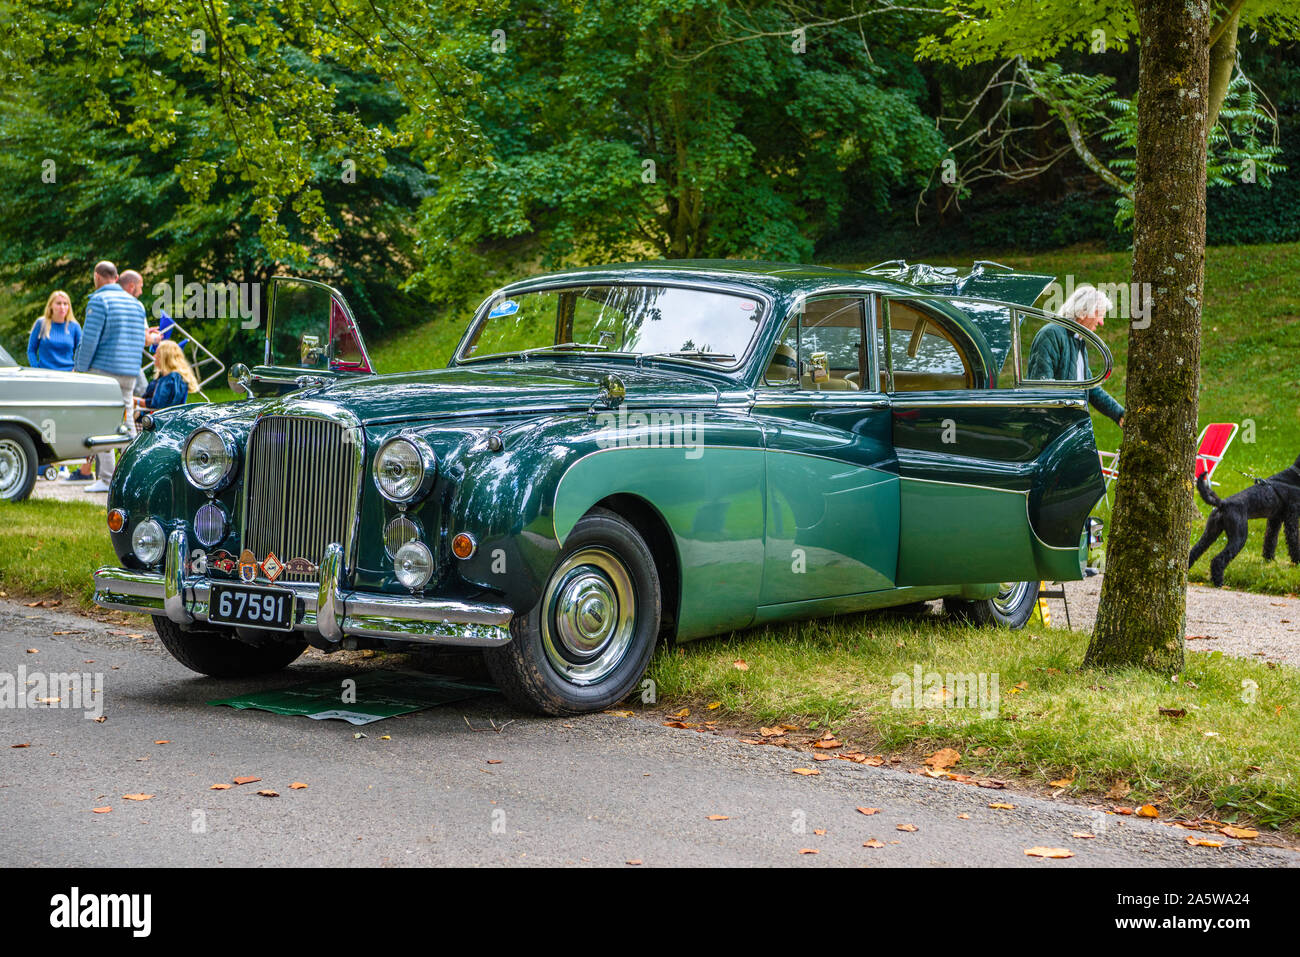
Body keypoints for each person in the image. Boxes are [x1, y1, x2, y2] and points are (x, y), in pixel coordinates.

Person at [74, 261, 148, 493]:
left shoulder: (99, 300)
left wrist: (80, 368)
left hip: (103, 372)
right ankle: (134, 474)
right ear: (116, 278)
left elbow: (89, 341)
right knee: (127, 423)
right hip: (129, 373)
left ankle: (106, 479)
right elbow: (138, 343)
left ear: (97, 276)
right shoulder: (137, 305)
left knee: (100, 423)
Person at [1026, 284, 1125, 428]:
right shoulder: (1051, 334)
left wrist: (1119, 414)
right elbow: (1042, 386)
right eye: (1099, 314)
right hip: (1049, 429)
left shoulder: (1077, 339)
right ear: (1083, 312)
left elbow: (1090, 387)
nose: (1101, 322)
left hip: (1068, 426)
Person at [136, 340, 197, 417]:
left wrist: (135, 401)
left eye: (157, 353)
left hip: (156, 420)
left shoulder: (171, 378)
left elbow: (158, 405)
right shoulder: (175, 377)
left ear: (164, 357)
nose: (154, 356)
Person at [26, 291, 82, 371]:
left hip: (69, 375)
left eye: (65, 304)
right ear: (51, 305)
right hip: (45, 375)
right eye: (58, 303)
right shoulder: (41, 324)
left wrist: (76, 368)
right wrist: (36, 369)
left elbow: (81, 351)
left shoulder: (75, 326)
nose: (62, 307)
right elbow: (31, 350)